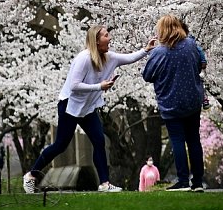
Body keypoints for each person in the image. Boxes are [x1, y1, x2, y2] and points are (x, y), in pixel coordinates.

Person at [23, 24, 158, 194]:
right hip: (70, 105)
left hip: (88, 108)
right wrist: (99, 86)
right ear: (96, 40)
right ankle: (31, 176)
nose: (110, 39)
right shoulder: (84, 58)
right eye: (106, 35)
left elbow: (129, 57)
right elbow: (74, 85)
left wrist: (146, 49)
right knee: (60, 145)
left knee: (99, 141)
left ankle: (104, 183)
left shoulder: (109, 57)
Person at [143, 14, 205, 192]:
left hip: (171, 102)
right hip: (192, 100)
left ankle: (183, 181)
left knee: (177, 140)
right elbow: (201, 64)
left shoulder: (159, 52)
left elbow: (147, 75)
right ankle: (198, 182)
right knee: (194, 140)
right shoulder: (192, 46)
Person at [180, 20, 210, 109]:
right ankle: (203, 98)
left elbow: (199, 50)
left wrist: (203, 61)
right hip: (190, 67)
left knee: (197, 81)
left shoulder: (190, 41)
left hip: (192, 67)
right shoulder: (189, 42)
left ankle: (204, 98)